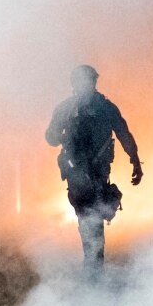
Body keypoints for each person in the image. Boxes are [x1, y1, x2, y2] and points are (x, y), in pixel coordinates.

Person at [46, 65, 143, 277]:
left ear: (93, 82)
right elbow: (50, 138)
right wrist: (65, 135)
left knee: (94, 216)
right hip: (76, 172)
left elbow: (123, 132)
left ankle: (94, 265)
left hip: (98, 172)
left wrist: (135, 161)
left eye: (87, 81)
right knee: (86, 215)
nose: (83, 85)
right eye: (79, 81)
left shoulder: (105, 108)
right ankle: (93, 263)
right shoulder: (66, 108)